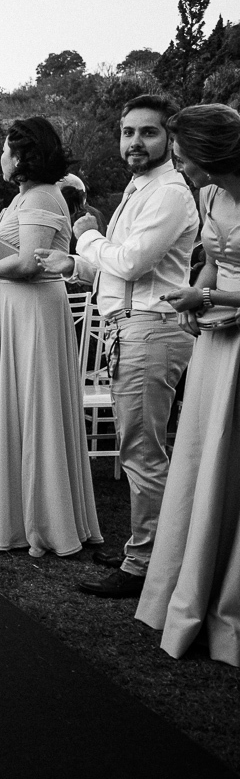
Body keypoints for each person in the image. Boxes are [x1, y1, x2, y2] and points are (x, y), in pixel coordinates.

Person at [36, 95, 198, 597]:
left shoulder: (169, 193)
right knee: (138, 447)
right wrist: (75, 265)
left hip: (150, 330)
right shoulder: (140, 188)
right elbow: (121, 272)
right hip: (131, 326)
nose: (135, 142)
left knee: (143, 452)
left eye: (148, 132)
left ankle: (146, 565)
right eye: (128, 132)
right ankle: (143, 546)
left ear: (169, 138)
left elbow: (129, 262)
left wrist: (86, 237)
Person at [0, 117, 101, 558]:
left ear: (20, 156)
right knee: (11, 406)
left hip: (29, 312)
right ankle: (10, 509)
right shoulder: (24, 196)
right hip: (11, 311)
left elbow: (31, 263)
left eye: (4, 149)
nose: (0, 156)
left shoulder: (40, 196)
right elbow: (13, 255)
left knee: (33, 406)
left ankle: (39, 519)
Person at [135, 103, 240, 666]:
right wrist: (196, 299)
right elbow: (212, 261)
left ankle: (226, 602)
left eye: (182, 155)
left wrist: (210, 297)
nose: (178, 165)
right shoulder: (209, 195)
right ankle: (186, 585)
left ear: (209, 152)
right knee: (200, 455)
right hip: (216, 341)